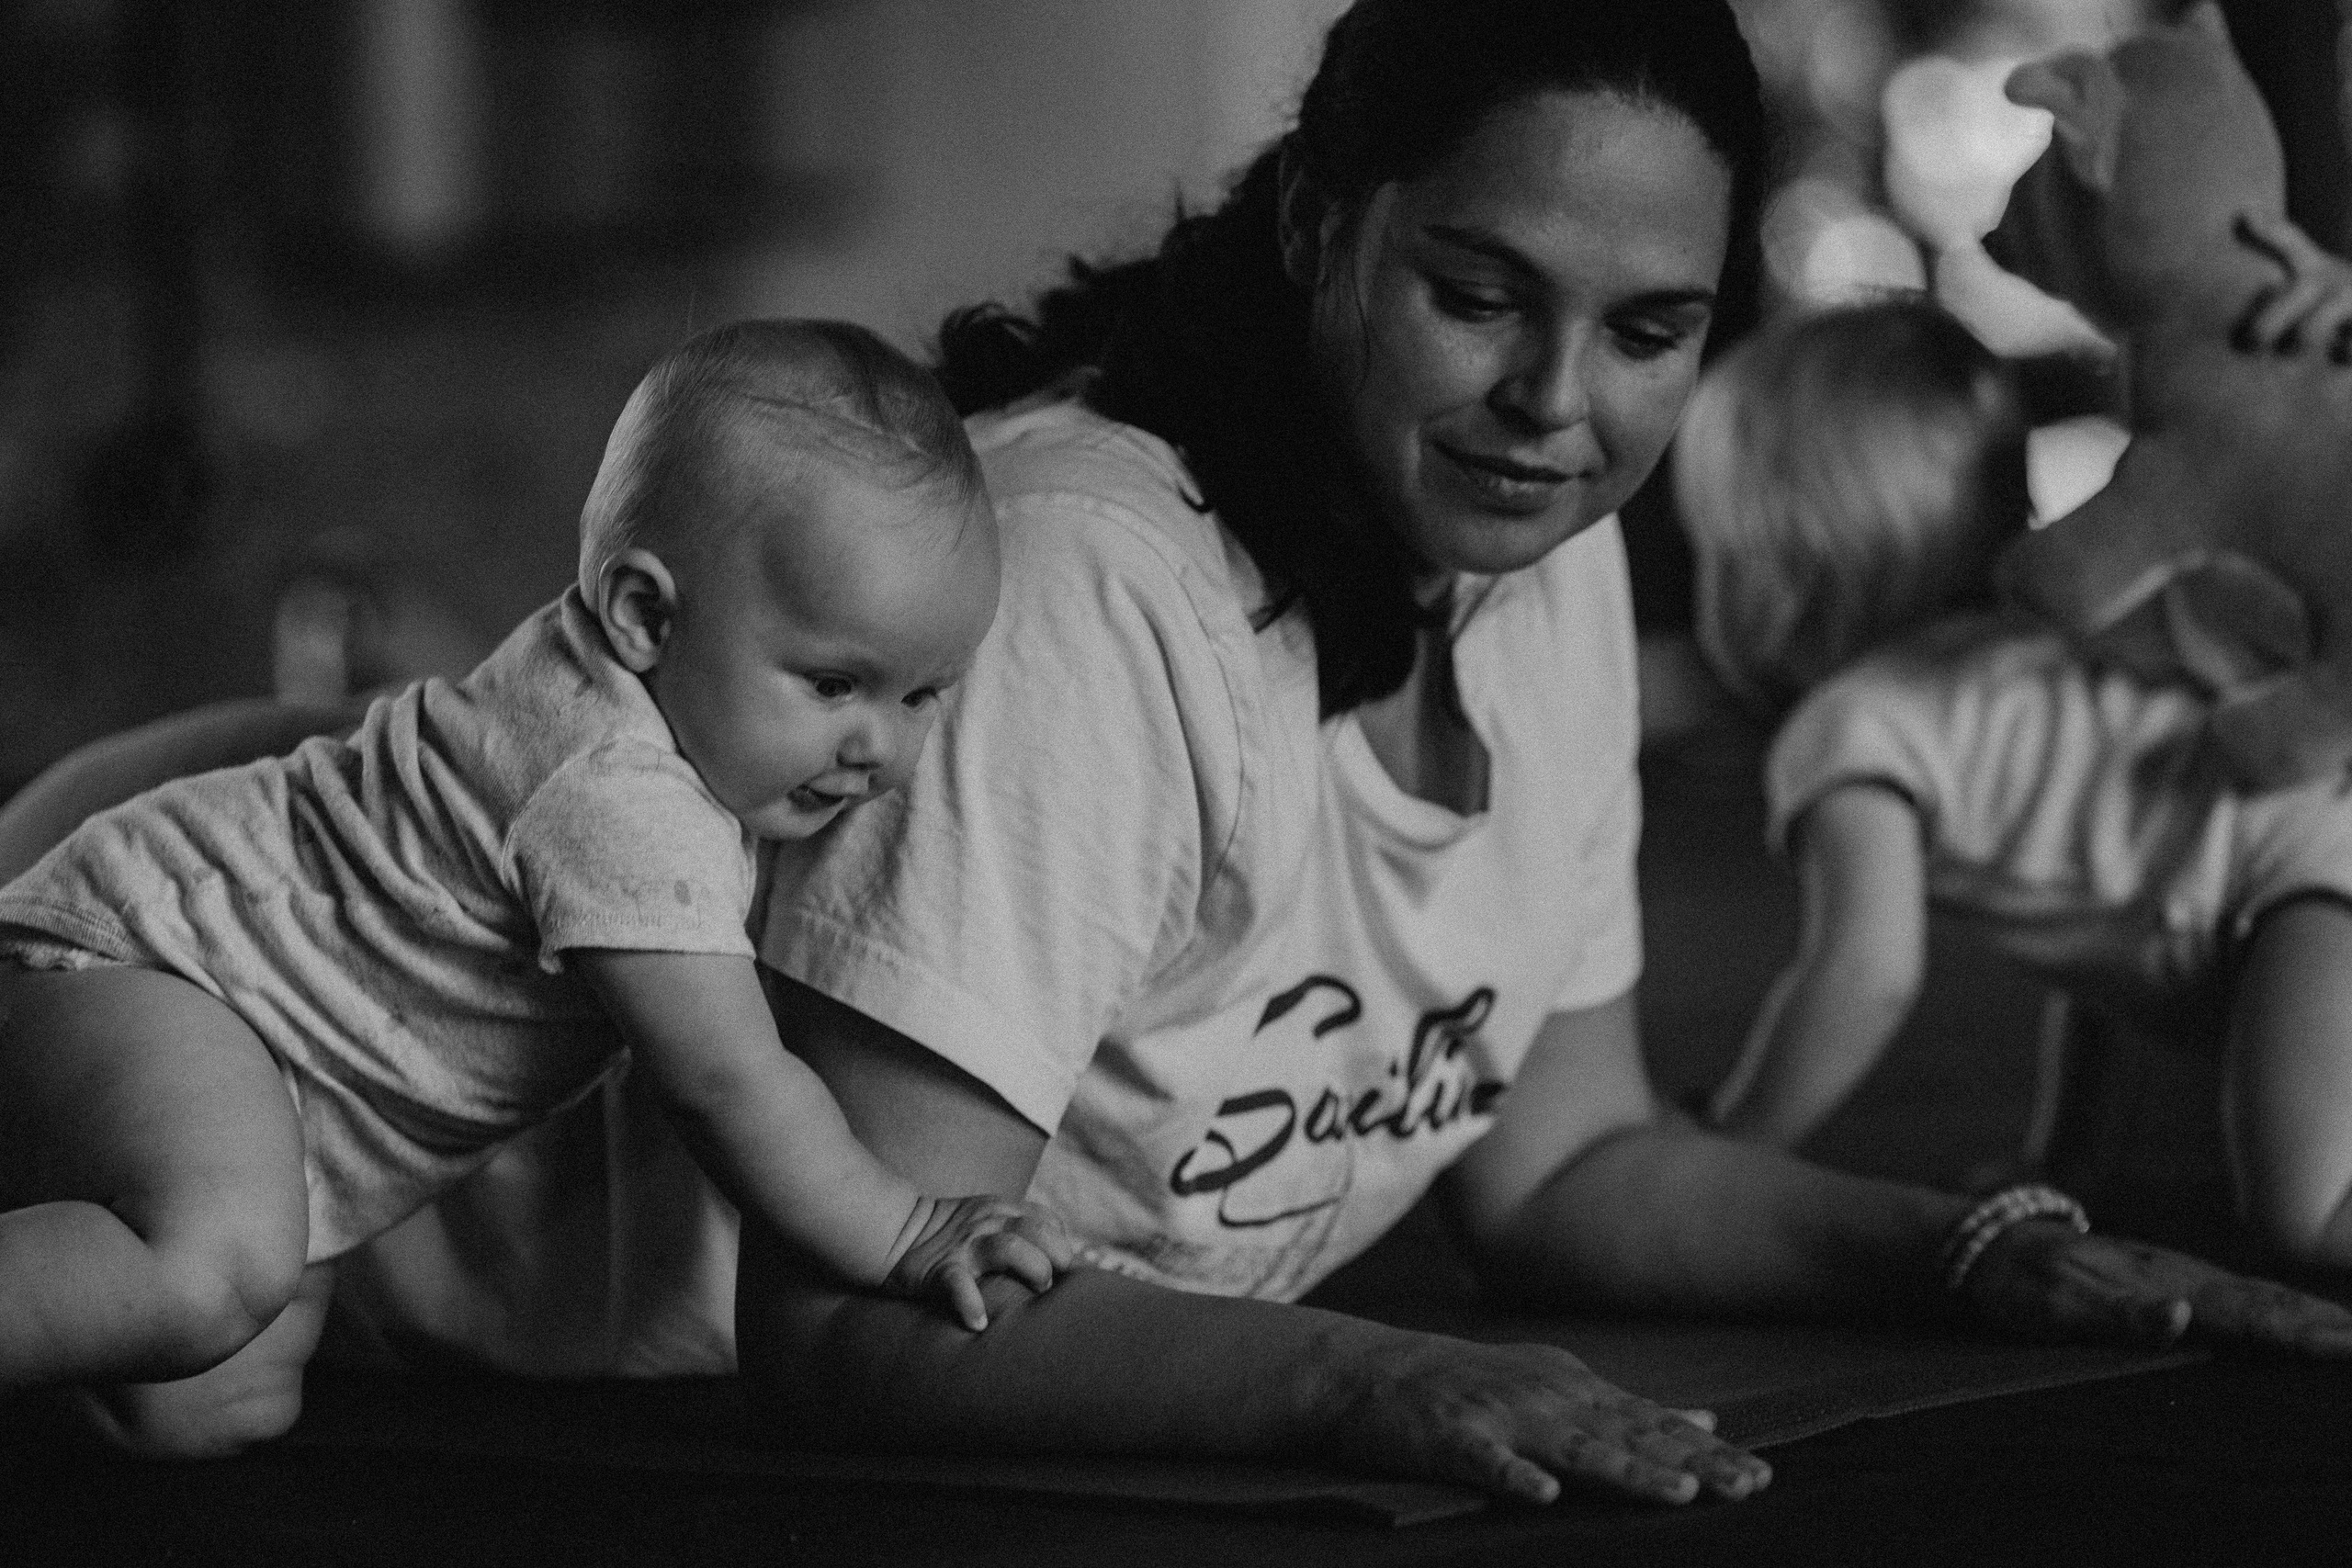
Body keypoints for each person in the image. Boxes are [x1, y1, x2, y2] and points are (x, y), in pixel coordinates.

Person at [9, 0, 2350, 1506]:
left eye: (1645, 330)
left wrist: (1984, 1243)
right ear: (1323, 227)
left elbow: (1566, 1166)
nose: (1559, 409)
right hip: (241, 1050)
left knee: (215, 1373)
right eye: (1477, 294)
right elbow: (842, 1324)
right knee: (196, 1304)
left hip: (278, 1174)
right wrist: (1363, 1380)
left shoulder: (1529, 576)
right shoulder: (1094, 578)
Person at [0, 321, 1069, 1438]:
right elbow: (730, 1086)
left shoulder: (610, 705)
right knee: (206, 1274)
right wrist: (910, 1231)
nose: (881, 749)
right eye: (836, 682)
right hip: (157, 969)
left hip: (265, 1065)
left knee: (214, 1405)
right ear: (646, 615)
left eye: (922, 696)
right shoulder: (617, 792)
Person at [1683, 295, 2352, 1274]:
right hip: (2309, 854)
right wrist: (2064, 1163)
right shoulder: (2031, 661)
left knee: (2307, 1215)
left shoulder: (1851, 724)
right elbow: (2097, 964)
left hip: (2309, 882)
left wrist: (1735, 1142)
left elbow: (1862, 976)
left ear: (1766, 567)